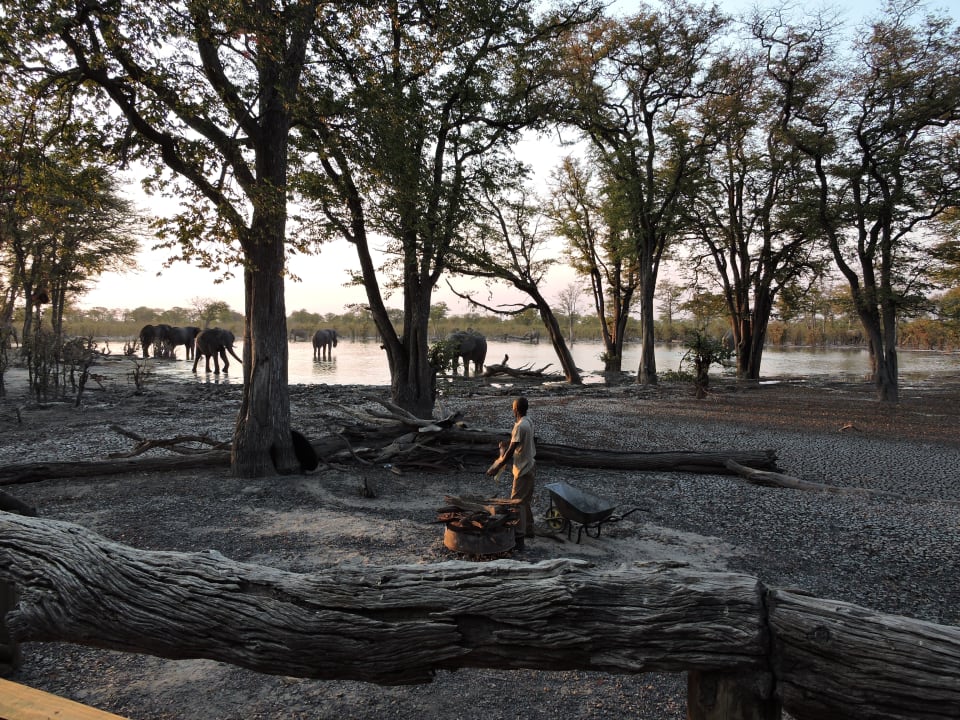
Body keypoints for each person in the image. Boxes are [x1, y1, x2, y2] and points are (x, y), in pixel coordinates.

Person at [487, 396, 536, 547]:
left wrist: (496, 467)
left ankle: (519, 538)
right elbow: (517, 442)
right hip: (531, 465)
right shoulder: (528, 422)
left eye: (513, 408)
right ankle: (529, 529)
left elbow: (510, 452)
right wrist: (507, 443)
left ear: (515, 409)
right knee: (524, 501)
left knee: (516, 503)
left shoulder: (520, 426)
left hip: (523, 469)